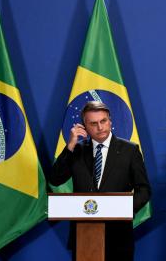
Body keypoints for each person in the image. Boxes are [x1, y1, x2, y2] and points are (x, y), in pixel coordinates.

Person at [50, 101, 151, 261]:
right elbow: (55, 179)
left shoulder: (130, 150)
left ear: (110, 121)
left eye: (103, 121)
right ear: (84, 127)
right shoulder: (76, 151)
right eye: (93, 123)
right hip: (84, 237)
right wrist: (70, 146)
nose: (100, 127)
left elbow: (144, 189)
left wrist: (123, 210)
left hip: (119, 236)